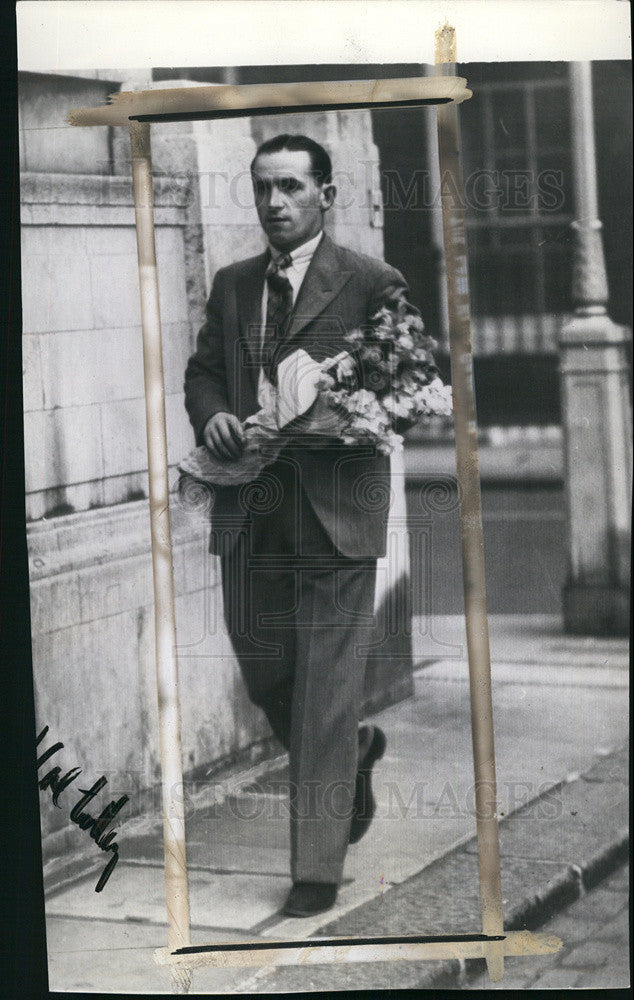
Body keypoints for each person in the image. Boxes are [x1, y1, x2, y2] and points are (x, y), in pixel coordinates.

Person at [184, 133, 413, 917]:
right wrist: (213, 414)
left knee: (321, 690)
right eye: (262, 189)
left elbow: (407, 380)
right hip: (249, 506)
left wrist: (327, 413)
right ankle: (352, 753)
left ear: (327, 195)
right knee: (267, 676)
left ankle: (315, 870)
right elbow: (206, 367)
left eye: (289, 187)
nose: (274, 203)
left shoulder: (371, 282)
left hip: (333, 511)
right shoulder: (234, 284)